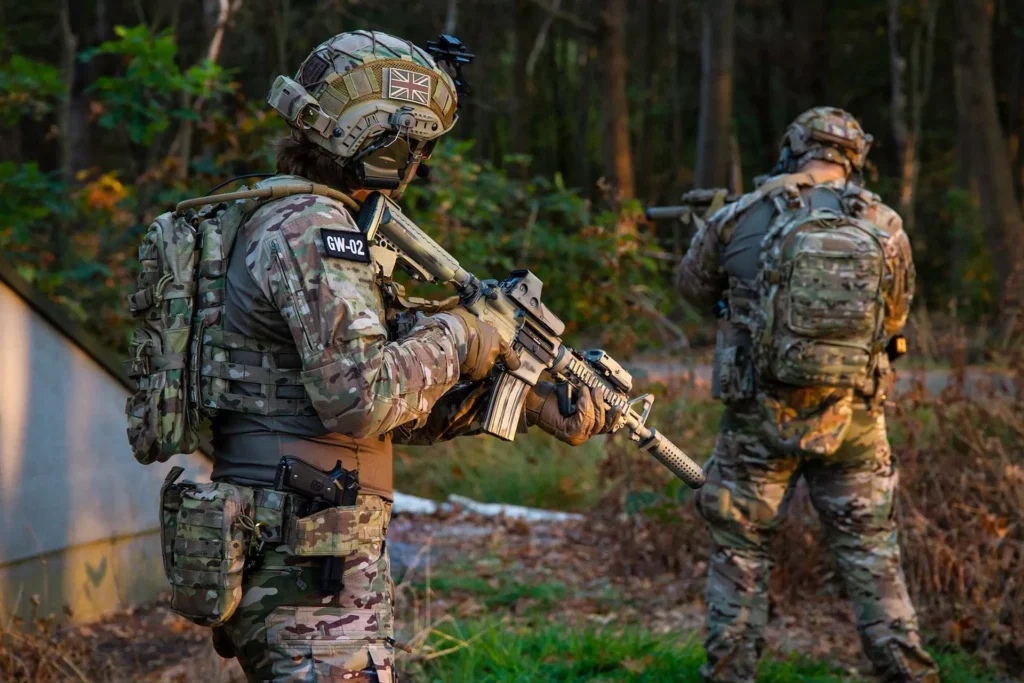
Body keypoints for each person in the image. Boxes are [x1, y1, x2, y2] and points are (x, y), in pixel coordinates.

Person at [209, 31, 616, 682]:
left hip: (303, 541)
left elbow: (379, 410)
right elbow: (362, 397)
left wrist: (525, 402)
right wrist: (462, 333)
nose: (419, 165)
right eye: (416, 147)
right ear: (377, 140)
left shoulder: (291, 216)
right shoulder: (314, 229)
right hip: (306, 558)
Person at [676, 107, 938, 683]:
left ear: (793, 146)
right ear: (855, 157)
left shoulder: (745, 213)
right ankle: (911, 675)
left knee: (741, 554)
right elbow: (895, 317)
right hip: (854, 419)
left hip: (758, 418)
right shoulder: (886, 225)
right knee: (871, 555)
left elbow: (694, 290)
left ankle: (729, 675)